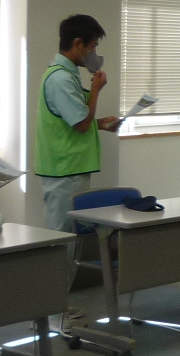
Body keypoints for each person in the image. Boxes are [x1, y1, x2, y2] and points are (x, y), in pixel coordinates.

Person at [36, 14, 121, 235]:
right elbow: (81, 124)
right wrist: (96, 90)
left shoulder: (67, 75)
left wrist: (100, 124)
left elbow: (73, 119)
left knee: (71, 233)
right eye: (92, 46)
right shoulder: (60, 78)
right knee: (62, 235)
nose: (94, 53)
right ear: (78, 43)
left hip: (70, 168)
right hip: (64, 170)